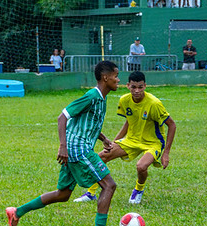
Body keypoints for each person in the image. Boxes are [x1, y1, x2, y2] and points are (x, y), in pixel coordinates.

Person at [6, 61, 121, 226]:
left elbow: (88, 123)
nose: (118, 80)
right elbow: (63, 117)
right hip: (78, 149)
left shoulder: (101, 98)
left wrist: (103, 139)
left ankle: (17, 211)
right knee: (109, 185)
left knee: (63, 194)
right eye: (115, 76)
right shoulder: (91, 96)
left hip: (77, 149)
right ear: (105, 78)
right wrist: (63, 146)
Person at [73, 71, 176, 205]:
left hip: (153, 143)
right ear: (127, 86)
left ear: (145, 86)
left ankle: (138, 190)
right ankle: (91, 193)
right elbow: (129, 121)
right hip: (131, 140)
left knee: (141, 167)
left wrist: (166, 153)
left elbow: (172, 125)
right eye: (133, 87)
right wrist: (114, 142)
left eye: (140, 87)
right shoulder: (124, 100)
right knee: (101, 157)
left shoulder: (154, 104)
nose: (137, 91)